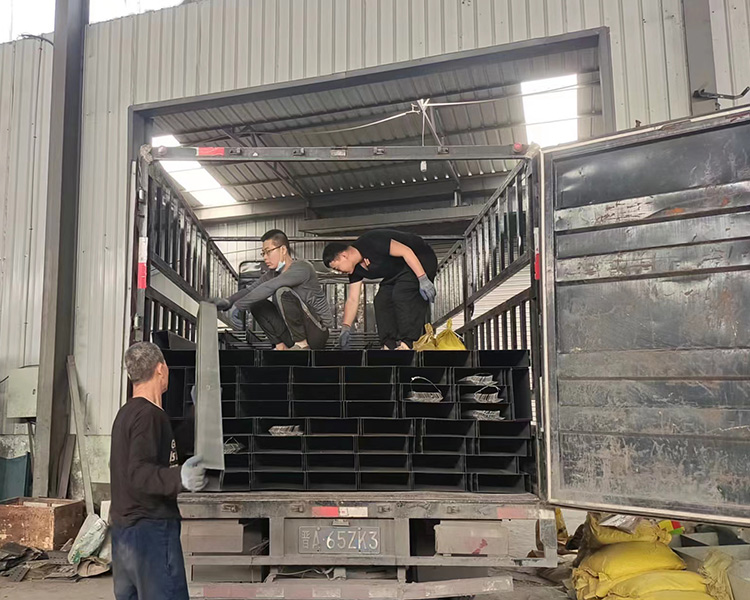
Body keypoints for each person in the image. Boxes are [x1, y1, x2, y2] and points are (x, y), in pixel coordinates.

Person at [110, 341, 207, 600]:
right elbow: (139, 472)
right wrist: (179, 477)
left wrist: (195, 414)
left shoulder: (127, 414)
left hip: (124, 533)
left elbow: (162, 451)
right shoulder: (149, 415)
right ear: (161, 369)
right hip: (150, 530)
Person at [213, 229, 333, 350]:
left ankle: (302, 344)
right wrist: (229, 301)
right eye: (263, 253)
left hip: (317, 333)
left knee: (282, 291)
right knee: (257, 304)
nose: (265, 257)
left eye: (268, 252)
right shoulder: (272, 274)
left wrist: (239, 306)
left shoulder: (303, 267)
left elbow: (270, 286)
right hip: (293, 334)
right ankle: (281, 345)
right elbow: (251, 290)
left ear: (283, 250)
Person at [322, 229, 437, 350]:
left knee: (403, 294)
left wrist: (423, 278)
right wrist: (345, 328)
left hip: (420, 258)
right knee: (382, 300)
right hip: (398, 271)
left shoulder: (371, 242)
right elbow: (353, 299)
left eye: (337, 268)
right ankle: (388, 344)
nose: (339, 272)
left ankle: (408, 343)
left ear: (344, 256)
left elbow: (406, 251)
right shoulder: (355, 270)